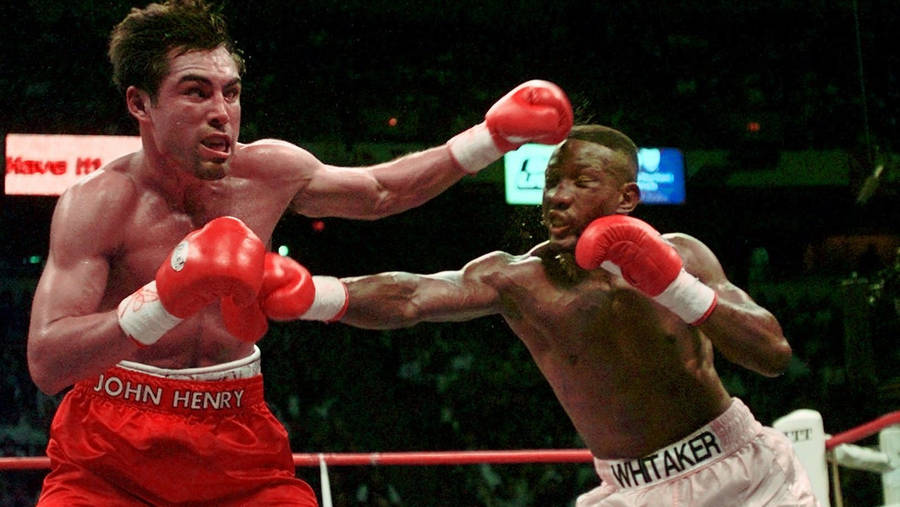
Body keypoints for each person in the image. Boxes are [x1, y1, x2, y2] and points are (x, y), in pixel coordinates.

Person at [25, 0, 573, 504]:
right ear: (139, 103)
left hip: (236, 436)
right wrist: (163, 299)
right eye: (196, 92)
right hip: (108, 452)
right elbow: (48, 361)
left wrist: (490, 139)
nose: (222, 111)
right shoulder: (98, 203)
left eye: (231, 92)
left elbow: (381, 192)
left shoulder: (268, 171)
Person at [266, 124, 818, 505]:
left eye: (581, 182)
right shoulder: (518, 279)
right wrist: (310, 293)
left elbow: (772, 354)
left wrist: (672, 285)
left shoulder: (684, 254)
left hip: (744, 474)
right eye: (553, 180)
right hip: (629, 490)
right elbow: (412, 297)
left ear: (625, 198)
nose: (557, 195)